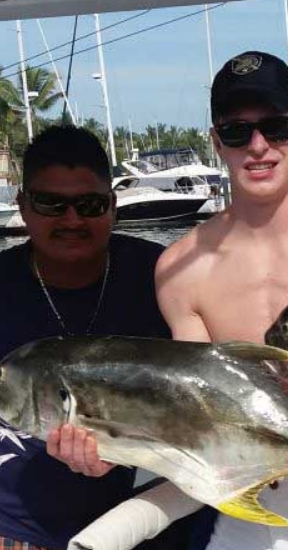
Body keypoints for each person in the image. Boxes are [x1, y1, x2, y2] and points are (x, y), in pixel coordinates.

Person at [51, 51, 288, 550]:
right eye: (237, 132)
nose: (258, 146)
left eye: (276, 128)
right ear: (217, 142)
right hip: (235, 505)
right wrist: (111, 447)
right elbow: (192, 407)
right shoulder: (182, 266)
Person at [0, 125, 172, 549]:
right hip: (16, 529)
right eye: (51, 204)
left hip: (137, 521)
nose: (72, 220)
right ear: (23, 206)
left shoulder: (164, 275)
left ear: (112, 205)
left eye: (89, 205)